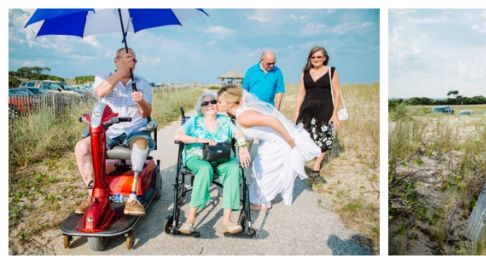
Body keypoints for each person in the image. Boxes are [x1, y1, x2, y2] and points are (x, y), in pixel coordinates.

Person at [73, 47, 154, 216]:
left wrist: (141, 102)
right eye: (126, 59)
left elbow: (147, 113)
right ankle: (92, 194)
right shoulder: (103, 78)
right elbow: (100, 92)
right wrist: (121, 72)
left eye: (133, 60)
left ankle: (132, 198)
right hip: (110, 131)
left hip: (135, 129)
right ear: (116, 61)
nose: (131, 62)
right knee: (82, 147)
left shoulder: (143, 82)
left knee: (140, 145)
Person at [217, 86, 320, 211]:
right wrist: (243, 148)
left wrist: (288, 139)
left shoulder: (244, 116)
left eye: (219, 101)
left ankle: (263, 202)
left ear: (230, 102)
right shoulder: (240, 113)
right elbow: (242, 134)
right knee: (259, 168)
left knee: (265, 171)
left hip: (278, 143)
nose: (217, 104)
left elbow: (272, 120)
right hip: (269, 142)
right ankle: (258, 199)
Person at [172, 91, 249, 234]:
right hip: (197, 158)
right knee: (204, 168)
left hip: (222, 158)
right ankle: (190, 219)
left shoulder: (225, 121)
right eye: (205, 103)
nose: (210, 105)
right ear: (200, 107)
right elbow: (177, 135)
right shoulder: (194, 121)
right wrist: (201, 140)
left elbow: (239, 134)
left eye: (213, 102)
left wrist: (243, 147)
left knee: (234, 168)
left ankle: (227, 221)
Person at [294, 46, 342, 181]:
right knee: (304, 137)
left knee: (324, 138)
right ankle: (300, 165)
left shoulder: (331, 71)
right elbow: (301, 93)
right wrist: (297, 112)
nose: (316, 59)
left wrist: (335, 113)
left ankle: (316, 165)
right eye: (313, 57)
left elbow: (337, 93)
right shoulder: (305, 72)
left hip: (325, 108)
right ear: (310, 58)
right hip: (307, 108)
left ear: (324, 58)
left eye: (319, 57)